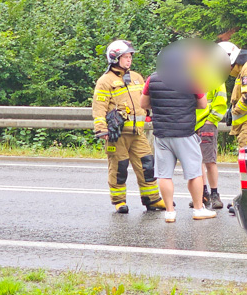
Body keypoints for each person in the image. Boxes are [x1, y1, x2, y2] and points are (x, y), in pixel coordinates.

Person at [140, 62, 216, 223]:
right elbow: (202, 105)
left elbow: (143, 104)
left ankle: (169, 212)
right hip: (185, 133)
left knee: (164, 175)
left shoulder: (152, 79)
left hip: (162, 134)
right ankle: (198, 209)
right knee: (194, 173)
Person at [92, 40, 161, 214]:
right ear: (114, 58)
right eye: (125, 57)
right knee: (119, 168)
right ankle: (119, 201)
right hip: (118, 135)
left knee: (147, 165)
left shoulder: (137, 77)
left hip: (137, 133)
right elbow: (99, 107)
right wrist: (102, 129)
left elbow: (144, 100)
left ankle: (152, 199)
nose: (129, 60)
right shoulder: (105, 81)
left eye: (130, 56)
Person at [188, 81, 228, 209]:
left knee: (210, 161)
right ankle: (202, 194)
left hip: (206, 123)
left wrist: (212, 120)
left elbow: (221, 101)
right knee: (197, 161)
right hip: (191, 123)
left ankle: (214, 194)